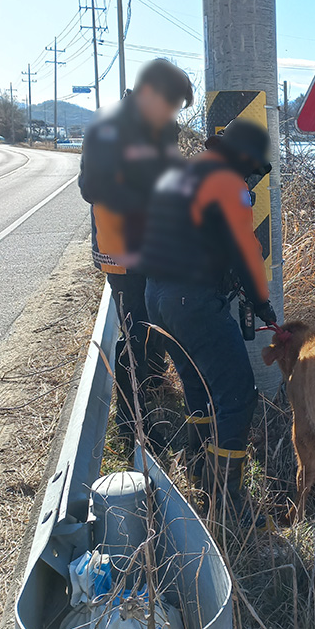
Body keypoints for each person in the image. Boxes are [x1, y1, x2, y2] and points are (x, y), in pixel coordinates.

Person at [140, 117, 277, 520]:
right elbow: (245, 250)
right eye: (251, 169)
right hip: (194, 300)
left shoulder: (183, 171)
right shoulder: (227, 183)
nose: (251, 178)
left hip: (158, 296)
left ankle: (201, 470)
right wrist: (262, 302)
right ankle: (226, 498)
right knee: (237, 395)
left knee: (198, 387)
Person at [78, 59, 193, 455]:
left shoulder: (158, 127)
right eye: (173, 104)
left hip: (155, 246)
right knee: (135, 338)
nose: (174, 113)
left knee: (151, 330)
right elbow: (91, 185)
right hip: (124, 251)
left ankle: (153, 388)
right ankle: (133, 428)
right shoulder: (108, 126)